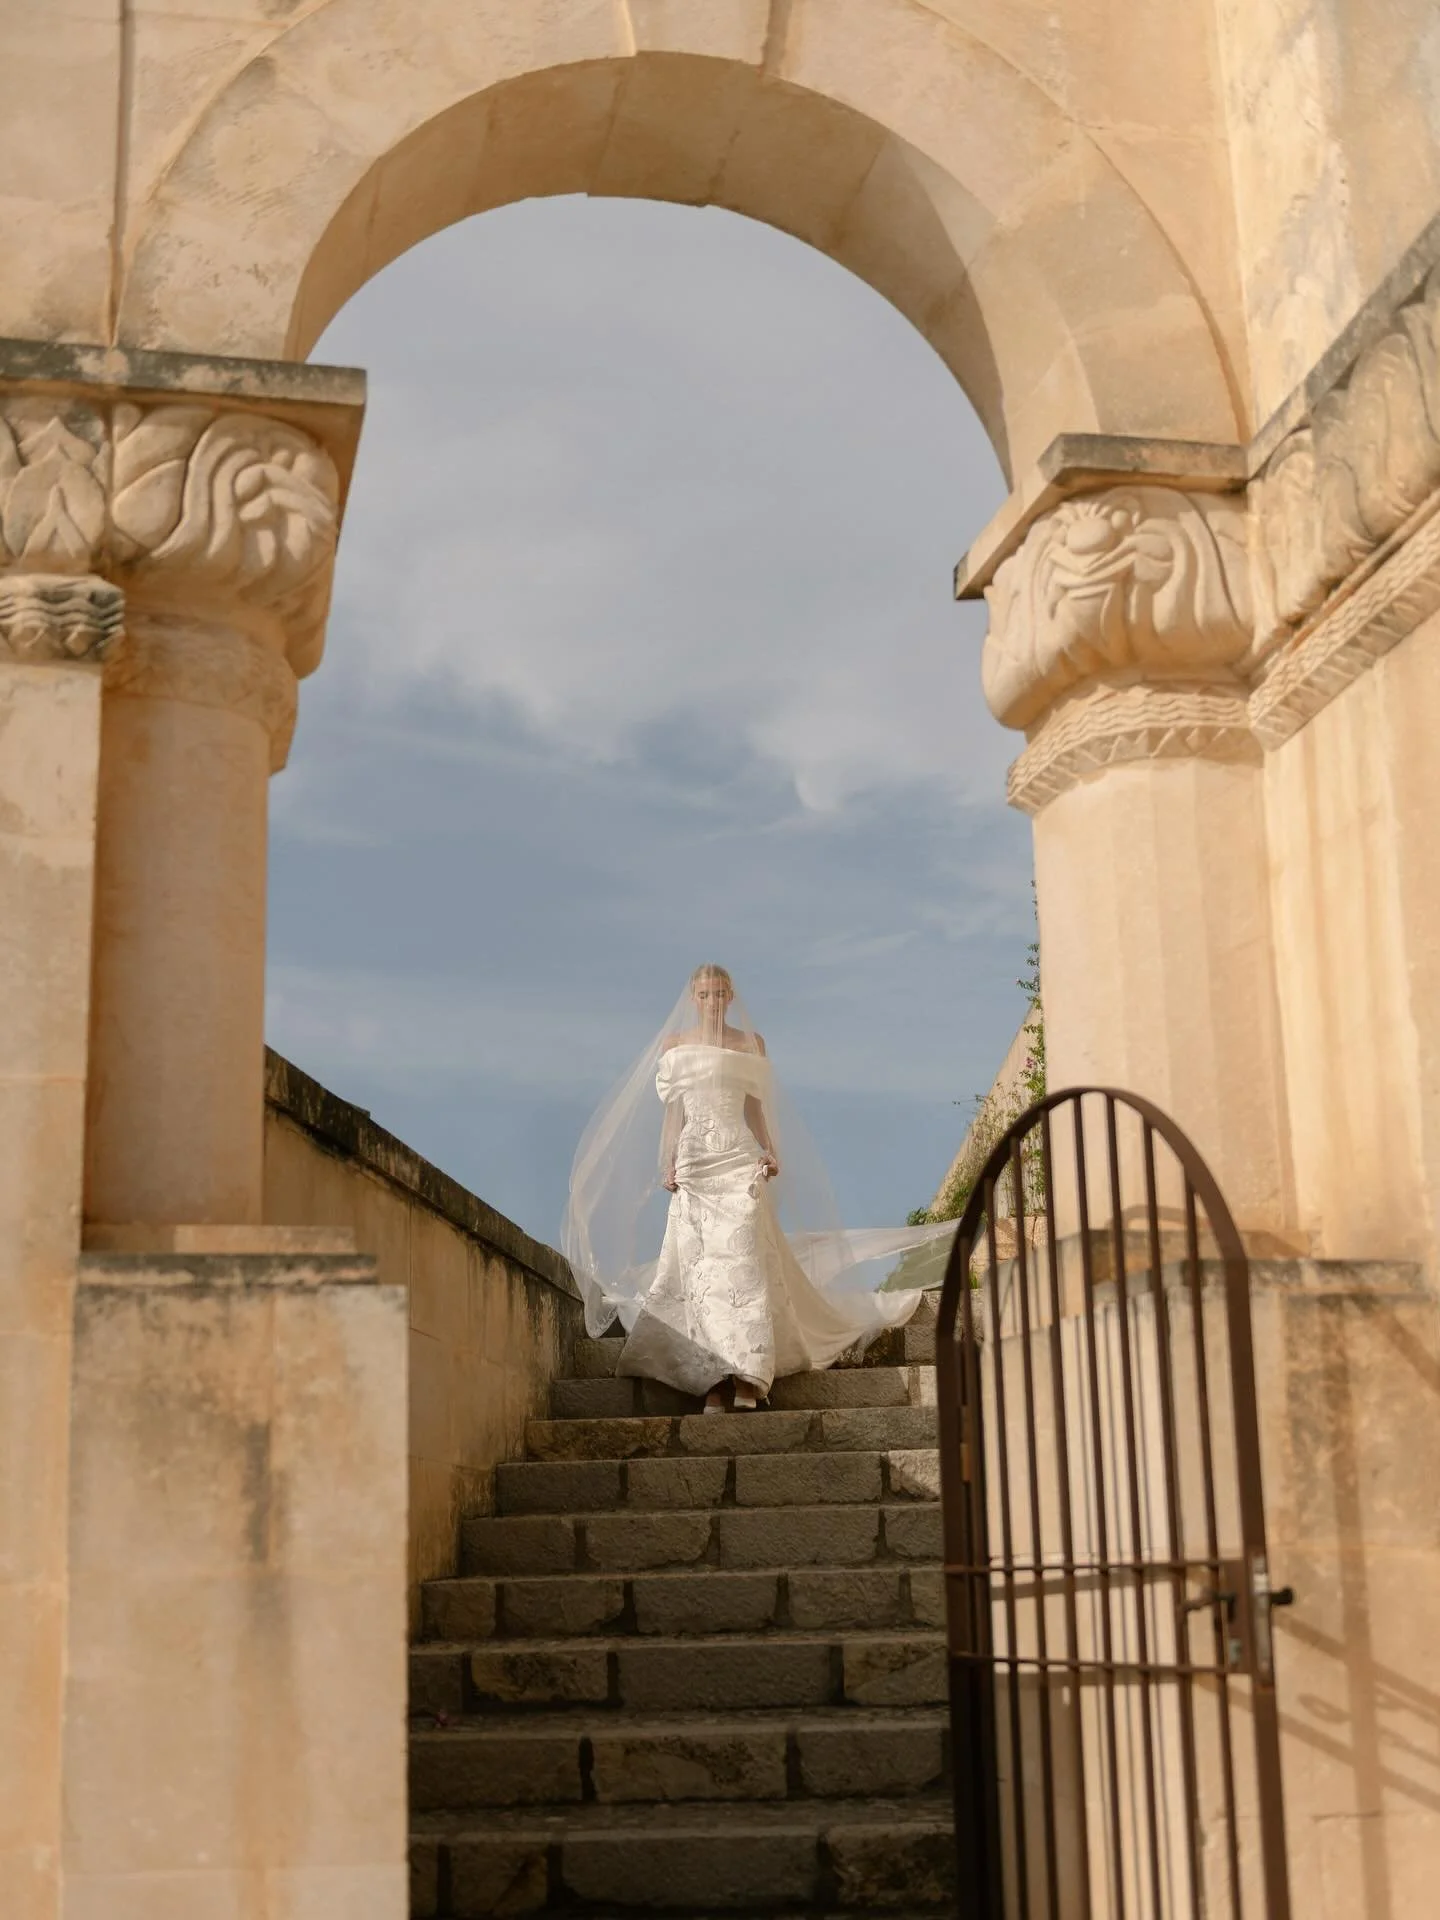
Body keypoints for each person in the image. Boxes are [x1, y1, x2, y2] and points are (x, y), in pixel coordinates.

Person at [562, 964, 954, 1412]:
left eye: (720, 993)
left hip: (738, 1159)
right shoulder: (675, 1047)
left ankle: (749, 1376)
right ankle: (711, 1378)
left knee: (743, 1263)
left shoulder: (751, 1044)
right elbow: (675, 1113)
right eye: (705, 994)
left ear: (731, 996)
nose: (713, 1002)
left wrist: (769, 1149)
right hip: (695, 1162)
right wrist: (666, 1161)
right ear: (694, 998)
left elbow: (754, 1108)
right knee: (702, 1273)